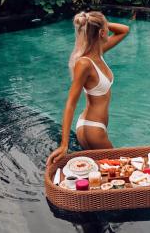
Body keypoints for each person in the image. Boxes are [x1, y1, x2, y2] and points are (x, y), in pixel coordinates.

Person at [46, 11, 130, 165]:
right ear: (102, 33)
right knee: (122, 168)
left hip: (94, 127)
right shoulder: (84, 63)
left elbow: (124, 30)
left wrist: (91, 23)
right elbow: (71, 103)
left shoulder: (98, 53)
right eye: (106, 29)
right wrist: (64, 145)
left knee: (103, 174)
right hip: (92, 129)